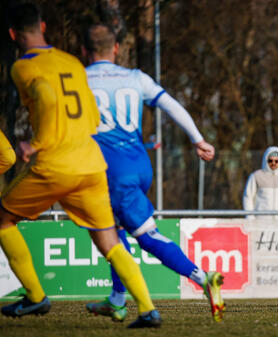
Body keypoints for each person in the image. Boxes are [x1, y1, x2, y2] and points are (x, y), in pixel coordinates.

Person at [0, 4, 161, 328]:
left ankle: (35, 297)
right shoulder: (72, 62)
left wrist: (37, 143)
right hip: (90, 162)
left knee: (3, 219)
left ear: (13, 35)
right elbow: (90, 112)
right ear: (44, 27)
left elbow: (45, 98)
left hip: (55, 165)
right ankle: (147, 309)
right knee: (108, 241)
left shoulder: (21, 67)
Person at [82, 24, 224, 323]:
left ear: (84, 51)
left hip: (111, 170)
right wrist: (197, 139)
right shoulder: (135, 77)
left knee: (145, 234)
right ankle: (117, 299)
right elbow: (171, 106)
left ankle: (202, 277)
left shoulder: (79, 79)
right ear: (116, 48)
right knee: (114, 229)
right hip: (139, 164)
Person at [243, 146, 278, 219]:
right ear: (266, 160)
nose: (273, 163)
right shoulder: (256, 176)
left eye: (276, 161)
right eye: (270, 160)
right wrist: (250, 218)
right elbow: (248, 197)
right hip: (261, 221)